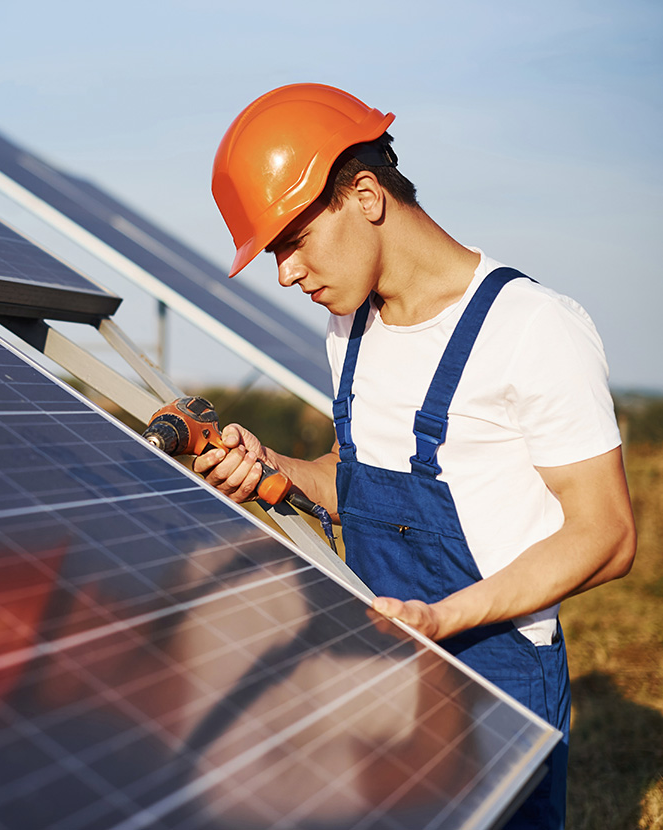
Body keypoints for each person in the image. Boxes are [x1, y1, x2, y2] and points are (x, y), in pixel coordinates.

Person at [195, 83, 637, 829]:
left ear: (364, 194)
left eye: (292, 242)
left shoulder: (532, 327)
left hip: (494, 678)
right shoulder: (351, 331)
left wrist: (440, 619)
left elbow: (607, 534)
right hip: (380, 662)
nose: (285, 275)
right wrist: (272, 466)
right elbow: (356, 479)